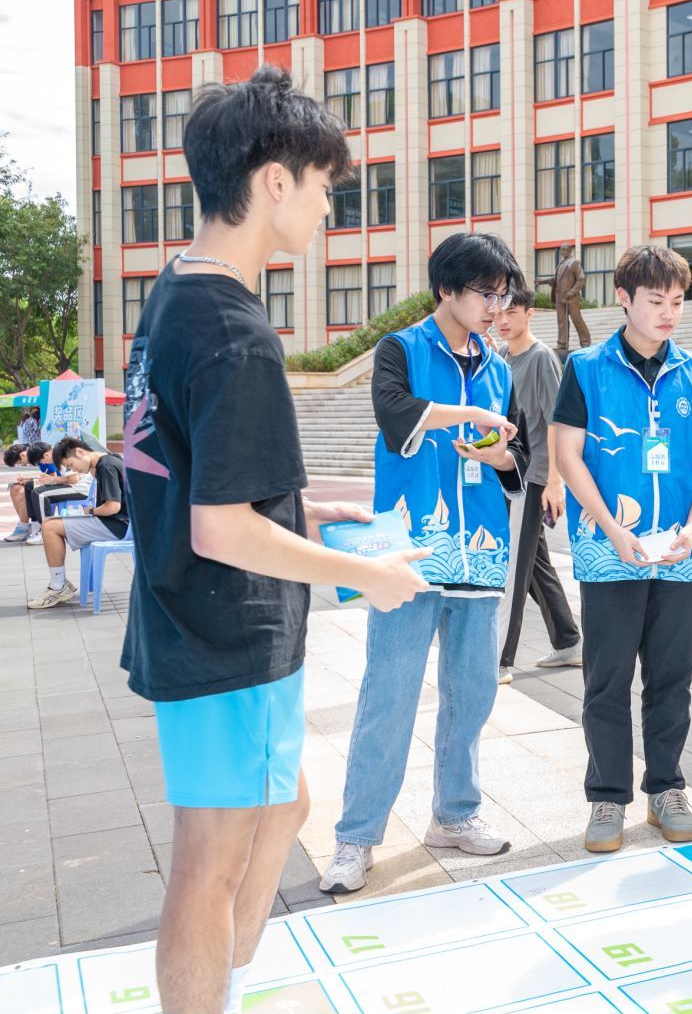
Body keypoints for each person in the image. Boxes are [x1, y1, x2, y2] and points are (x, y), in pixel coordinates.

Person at [118, 65, 429, 1014]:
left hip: (192, 619)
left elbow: (197, 476)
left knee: (285, 806)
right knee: (208, 863)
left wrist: (312, 511)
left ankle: (228, 979)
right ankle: (207, 992)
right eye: (326, 185)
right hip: (226, 635)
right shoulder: (234, 330)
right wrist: (363, 575)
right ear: (275, 181)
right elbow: (220, 528)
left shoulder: (177, 295)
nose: (330, 206)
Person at [320, 233, 531, 895]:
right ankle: (356, 838)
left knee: (473, 694)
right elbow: (396, 417)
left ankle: (455, 815)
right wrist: (466, 413)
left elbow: (518, 455)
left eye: (503, 295)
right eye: (486, 293)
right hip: (409, 554)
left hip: (481, 552)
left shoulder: (498, 366)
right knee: (389, 695)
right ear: (447, 289)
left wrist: (501, 456)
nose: (496, 307)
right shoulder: (401, 350)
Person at [553, 245, 692, 855]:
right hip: (610, 552)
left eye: (677, 301)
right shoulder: (586, 369)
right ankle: (606, 797)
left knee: (672, 678)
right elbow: (568, 454)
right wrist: (610, 529)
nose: (668, 313)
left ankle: (667, 789)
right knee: (607, 679)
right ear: (624, 299)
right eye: (656, 301)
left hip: (681, 552)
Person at [495, 283, 582, 681]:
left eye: (511, 313)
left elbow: (556, 421)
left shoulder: (542, 358)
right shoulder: (501, 357)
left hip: (531, 476)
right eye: (498, 313)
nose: (502, 320)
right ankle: (568, 641)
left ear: (530, 314)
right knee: (534, 564)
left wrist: (554, 481)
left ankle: (499, 659)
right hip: (506, 471)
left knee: (513, 564)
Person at [24, 436, 132, 609]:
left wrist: (92, 511)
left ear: (80, 452)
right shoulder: (109, 461)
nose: (74, 470)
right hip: (121, 524)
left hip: (117, 526)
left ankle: (58, 586)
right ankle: (59, 584)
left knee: (49, 527)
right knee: (51, 523)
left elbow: (112, 507)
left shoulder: (107, 466)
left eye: (70, 465)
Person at [538, 243, 590, 358]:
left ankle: (585, 342)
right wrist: (542, 281)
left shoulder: (574, 263)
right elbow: (556, 280)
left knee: (577, 319)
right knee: (562, 321)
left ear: (569, 250)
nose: (562, 252)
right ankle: (562, 344)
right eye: (561, 250)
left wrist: (571, 293)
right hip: (559, 297)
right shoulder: (561, 264)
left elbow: (581, 279)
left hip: (571, 298)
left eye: (564, 250)